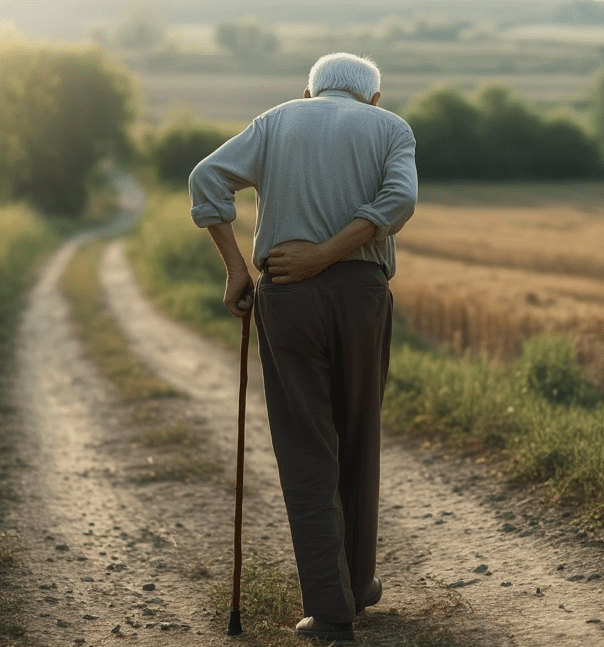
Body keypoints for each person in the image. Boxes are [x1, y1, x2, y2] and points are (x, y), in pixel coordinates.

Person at [188, 52, 418, 642]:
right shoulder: (390, 128)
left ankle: (334, 606)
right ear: (373, 99)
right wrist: (334, 255)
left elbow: (206, 178)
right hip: (363, 295)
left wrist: (237, 269)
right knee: (358, 434)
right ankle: (356, 587)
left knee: (307, 448)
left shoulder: (277, 120)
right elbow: (398, 203)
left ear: (309, 91)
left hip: (287, 296)